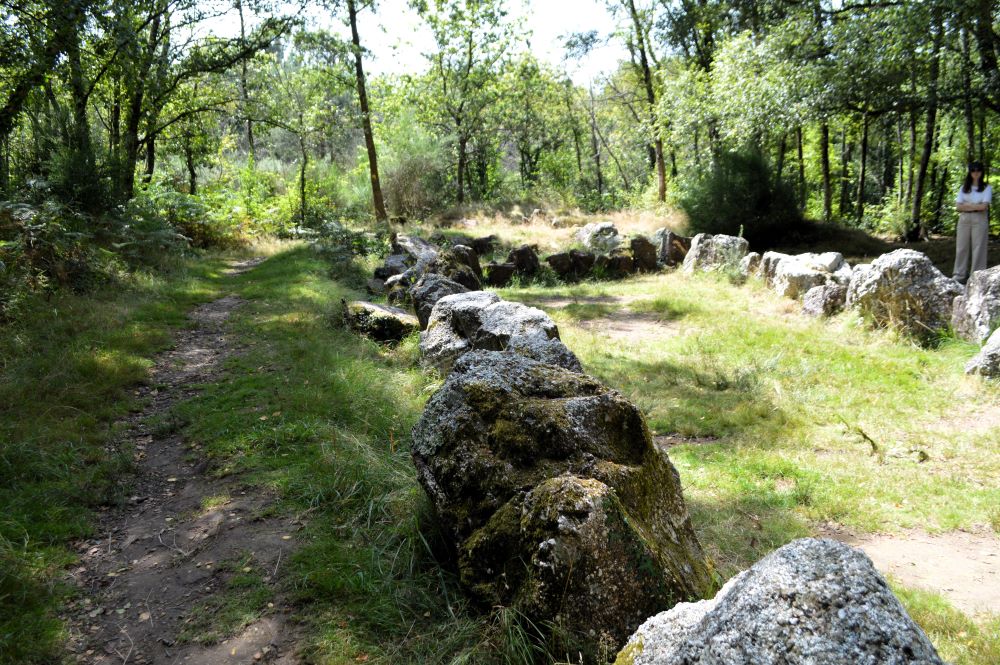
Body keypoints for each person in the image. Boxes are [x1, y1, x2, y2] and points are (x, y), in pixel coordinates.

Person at [954, 161, 991, 285]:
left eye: (978, 170)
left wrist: (967, 205)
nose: (976, 173)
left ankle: (977, 276)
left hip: (979, 219)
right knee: (961, 247)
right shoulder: (964, 188)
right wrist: (975, 205)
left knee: (979, 247)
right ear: (969, 172)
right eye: (973, 170)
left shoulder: (987, 188)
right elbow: (958, 207)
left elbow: (983, 207)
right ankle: (959, 275)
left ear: (982, 172)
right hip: (964, 219)